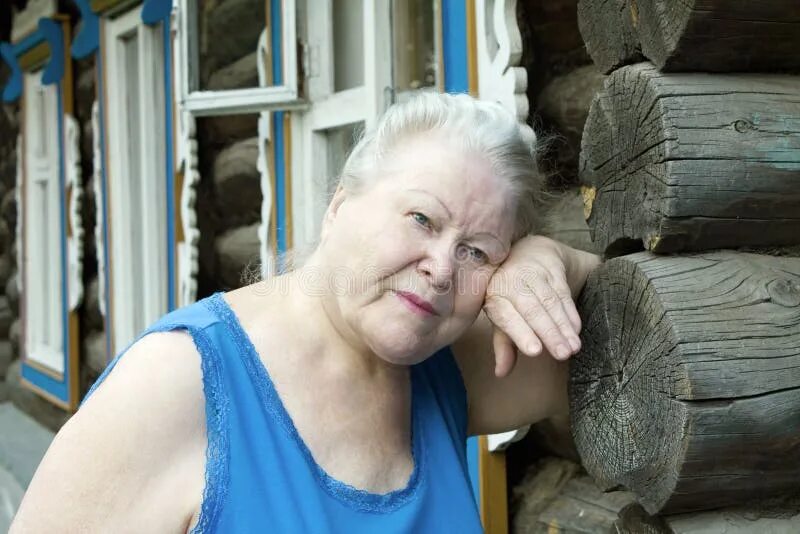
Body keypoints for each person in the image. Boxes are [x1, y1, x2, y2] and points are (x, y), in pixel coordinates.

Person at [10, 93, 600, 533]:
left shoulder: (450, 366)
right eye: (421, 219)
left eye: (478, 252)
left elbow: (633, 325)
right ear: (340, 205)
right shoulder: (179, 383)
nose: (443, 268)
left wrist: (552, 260)